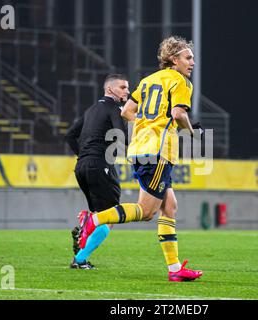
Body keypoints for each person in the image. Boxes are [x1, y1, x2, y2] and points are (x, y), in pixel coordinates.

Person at [79, 36, 203, 282]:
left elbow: (126, 112)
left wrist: (147, 123)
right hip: (158, 151)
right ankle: (94, 219)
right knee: (146, 211)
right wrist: (192, 132)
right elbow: (178, 114)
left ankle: (175, 269)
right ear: (173, 59)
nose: (193, 63)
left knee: (170, 206)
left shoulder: (147, 80)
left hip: (141, 148)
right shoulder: (181, 82)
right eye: (188, 58)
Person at [65, 74, 129, 269]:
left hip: (82, 166)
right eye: (123, 87)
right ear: (110, 89)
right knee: (110, 216)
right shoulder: (115, 108)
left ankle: (88, 220)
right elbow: (122, 137)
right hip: (100, 164)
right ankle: (81, 258)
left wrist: (84, 155)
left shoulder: (92, 109)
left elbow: (69, 135)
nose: (127, 91)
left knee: (101, 213)